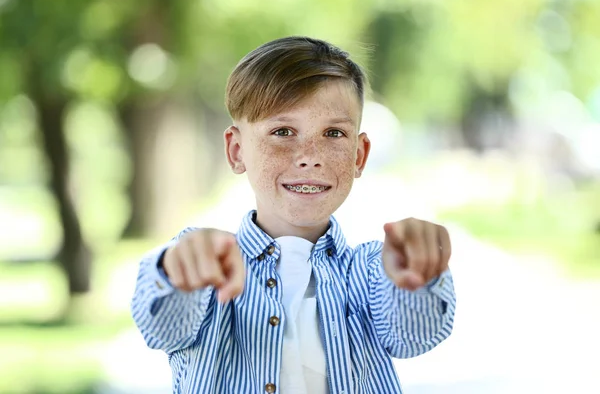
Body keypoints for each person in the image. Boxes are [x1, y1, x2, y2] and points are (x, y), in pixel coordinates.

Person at [131, 36, 456, 394]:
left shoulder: (372, 270)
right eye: (282, 132)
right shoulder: (208, 266)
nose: (309, 156)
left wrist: (419, 275)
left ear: (359, 155)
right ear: (237, 150)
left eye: (333, 133)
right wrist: (177, 272)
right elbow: (160, 326)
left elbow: (414, 336)